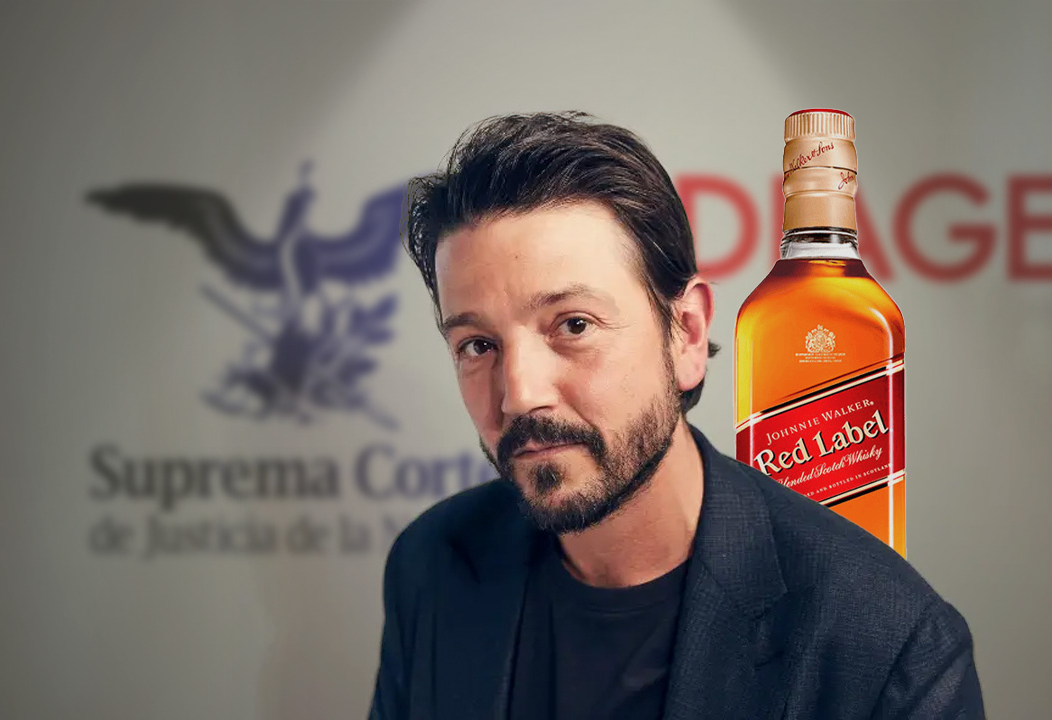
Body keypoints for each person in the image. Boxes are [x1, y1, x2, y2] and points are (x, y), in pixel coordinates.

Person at [369, 112, 984, 719]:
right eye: (478, 345)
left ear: (686, 333)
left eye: (574, 325)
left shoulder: (889, 646)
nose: (519, 395)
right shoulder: (431, 565)